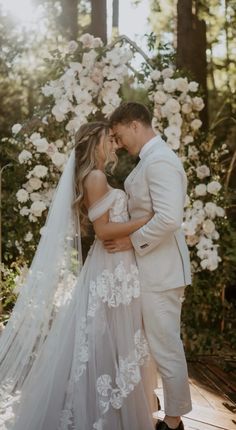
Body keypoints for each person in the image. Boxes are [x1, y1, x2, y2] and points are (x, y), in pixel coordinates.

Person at [0, 122, 157, 430]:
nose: (114, 144)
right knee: (104, 339)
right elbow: (103, 231)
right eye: (109, 139)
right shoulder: (96, 177)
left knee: (112, 339)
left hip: (118, 265)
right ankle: (99, 413)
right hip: (111, 267)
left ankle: (112, 408)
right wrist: (145, 220)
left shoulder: (96, 176)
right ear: (95, 143)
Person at [105, 102, 192, 430]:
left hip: (162, 270)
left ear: (134, 125)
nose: (119, 141)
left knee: (165, 345)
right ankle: (154, 404)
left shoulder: (160, 161)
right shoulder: (150, 160)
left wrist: (131, 241)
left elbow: (170, 218)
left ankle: (173, 423)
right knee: (152, 344)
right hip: (151, 268)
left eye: (119, 134)